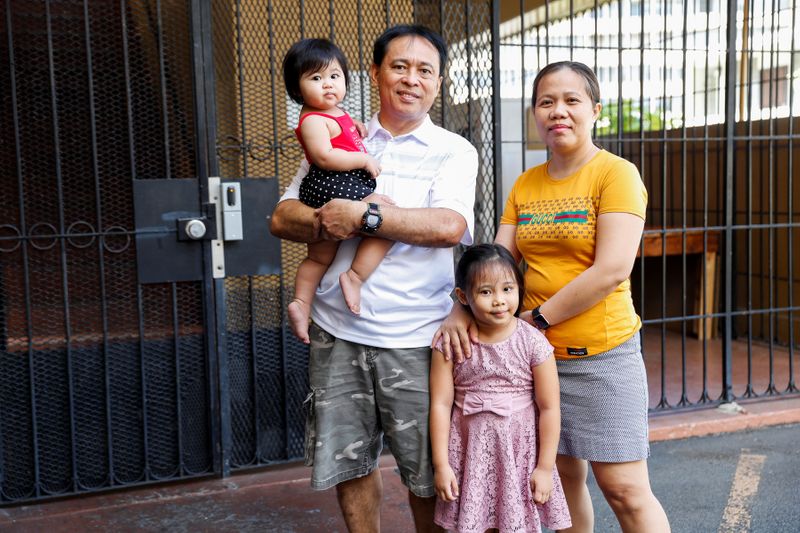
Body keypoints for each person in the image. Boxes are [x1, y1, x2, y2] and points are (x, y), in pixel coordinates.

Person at [434, 61, 671, 533]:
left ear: (595, 111)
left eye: (571, 100)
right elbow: (499, 260)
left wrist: (532, 321)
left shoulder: (616, 175)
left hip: (601, 355)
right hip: (535, 361)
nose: (557, 111)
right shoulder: (526, 183)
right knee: (561, 482)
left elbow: (611, 270)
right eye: (546, 102)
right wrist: (464, 310)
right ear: (535, 114)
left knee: (624, 489)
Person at [270, 25, 478, 533]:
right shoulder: (340, 132)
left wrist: (365, 217)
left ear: (439, 82)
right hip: (337, 333)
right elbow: (281, 216)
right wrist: (327, 218)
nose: (411, 79)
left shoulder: (453, 150)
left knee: (428, 474)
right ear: (376, 72)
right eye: (399, 66)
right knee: (350, 465)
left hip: (417, 338)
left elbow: (449, 226)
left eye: (424, 70)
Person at [429, 244, 572, 533]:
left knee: (513, 521)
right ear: (462, 297)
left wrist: (544, 468)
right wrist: (441, 465)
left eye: (508, 289)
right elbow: (441, 404)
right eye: (485, 292)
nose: (499, 301)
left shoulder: (532, 343)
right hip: (469, 450)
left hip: (518, 452)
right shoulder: (451, 343)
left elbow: (549, 407)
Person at [281, 38, 390, 344]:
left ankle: (301, 303)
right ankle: (354, 277)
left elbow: (340, 131)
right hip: (332, 182)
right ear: (297, 89)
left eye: (334, 76)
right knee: (386, 218)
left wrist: (352, 125)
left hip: (335, 184)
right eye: (316, 78)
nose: (327, 84)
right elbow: (324, 157)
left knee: (319, 258)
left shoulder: (333, 113)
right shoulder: (312, 120)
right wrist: (363, 158)